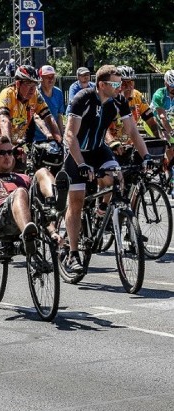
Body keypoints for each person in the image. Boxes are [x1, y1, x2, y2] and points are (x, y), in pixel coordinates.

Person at [62, 65, 153, 273]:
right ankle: (73, 253)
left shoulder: (119, 100)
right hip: (77, 151)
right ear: (102, 85)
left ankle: (101, 211)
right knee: (76, 200)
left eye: (120, 84)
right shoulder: (83, 99)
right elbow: (70, 135)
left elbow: (132, 131)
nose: (120, 87)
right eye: (115, 84)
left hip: (98, 149)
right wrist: (82, 164)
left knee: (115, 178)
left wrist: (146, 156)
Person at [0, 135, 64, 262]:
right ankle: (28, 236)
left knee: (41, 172)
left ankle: (54, 201)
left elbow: (37, 206)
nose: (7, 156)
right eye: (1, 153)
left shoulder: (24, 178)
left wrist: (53, 233)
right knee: (19, 192)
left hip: (28, 216)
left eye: (10, 152)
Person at [0, 64, 62, 150]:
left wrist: (59, 140)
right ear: (18, 83)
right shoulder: (7, 94)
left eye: (35, 85)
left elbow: (49, 117)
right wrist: (8, 147)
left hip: (15, 140)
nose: (33, 89)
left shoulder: (35, 95)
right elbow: (4, 120)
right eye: (29, 84)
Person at [107, 66, 161, 163]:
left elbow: (151, 122)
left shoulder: (137, 96)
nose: (129, 87)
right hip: (110, 145)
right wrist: (112, 142)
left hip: (130, 145)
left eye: (131, 82)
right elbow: (101, 127)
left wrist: (159, 140)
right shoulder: (108, 98)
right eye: (124, 83)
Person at [34, 65, 66, 143]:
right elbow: (34, 116)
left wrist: (62, 135)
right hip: (37, 137)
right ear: (41, 79)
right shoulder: (35, 93)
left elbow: (59, 115)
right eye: (47, 77)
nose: (51, 80)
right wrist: (47, 133)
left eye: (53, 77)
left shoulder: (58, 92)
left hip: (54, 136)